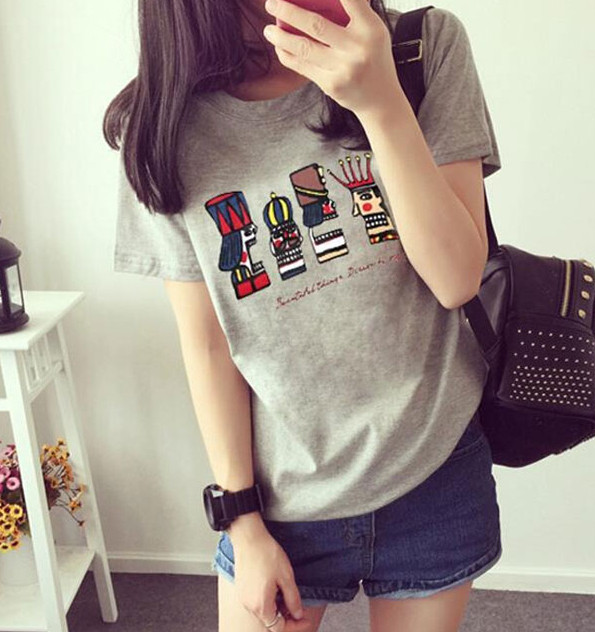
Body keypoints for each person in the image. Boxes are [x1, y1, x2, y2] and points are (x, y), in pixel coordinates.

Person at [104, 0, 503, 630]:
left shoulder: (421, 48)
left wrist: (381, 104)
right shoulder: (159, 123)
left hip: (432, 472)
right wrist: (242, 523)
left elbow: (456, 278)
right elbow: (208, 345)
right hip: (277, 501)